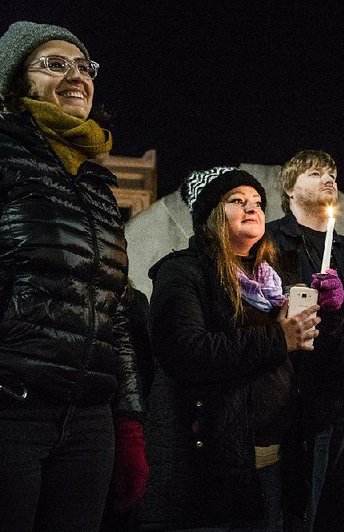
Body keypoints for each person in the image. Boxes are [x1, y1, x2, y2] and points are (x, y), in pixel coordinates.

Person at [0, 21, 147, 530]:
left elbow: (115, 312)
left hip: (89, 419)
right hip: (14, 409)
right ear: (17, 82)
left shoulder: (97, 186)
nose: (76, 77)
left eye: (85, 67)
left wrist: (127, 418)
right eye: (54, 65)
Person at [140, 167, 321, 530]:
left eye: (257, 202)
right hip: (210, 468)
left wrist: (327, 314)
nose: (252, 208)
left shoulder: (273, 282)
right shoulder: (183, 273)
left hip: (271, 462)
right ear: (211, 215)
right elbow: (187, 351)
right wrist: (279, 337)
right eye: (237, 201)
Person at [267, 150, 344, 531]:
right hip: (302, 406)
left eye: (333, 173)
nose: (329, 179)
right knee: (301, 512)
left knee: (343, 515)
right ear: (289, 188)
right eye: (316, 172)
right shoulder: (273, 242)